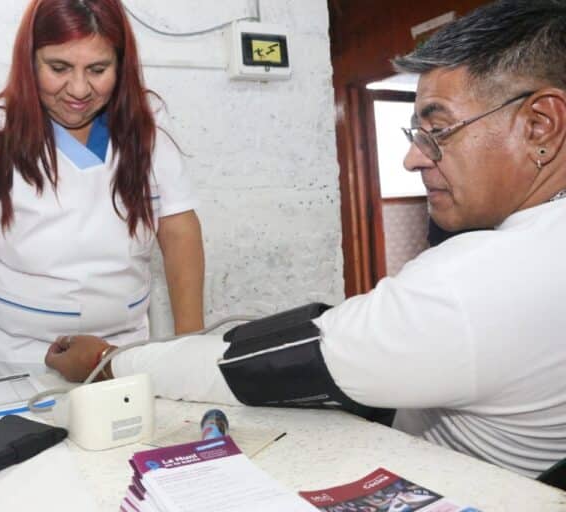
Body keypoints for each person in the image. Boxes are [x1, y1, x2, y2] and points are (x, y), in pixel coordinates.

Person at [45, 0, 566, 480]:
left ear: (540, 124)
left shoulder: (477, 284)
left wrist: (107, 360)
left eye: (439, 130)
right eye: (415, 134)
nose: (413, 157)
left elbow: (253, 372)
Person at [0, 0, 204, 381]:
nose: (79, 89)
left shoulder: (145, 125)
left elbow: (179, 228)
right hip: (16, 362)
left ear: (121, 63)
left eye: (98, 69)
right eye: (59, 68)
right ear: (30, 61)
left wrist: (190, 349)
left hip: (122, 354)